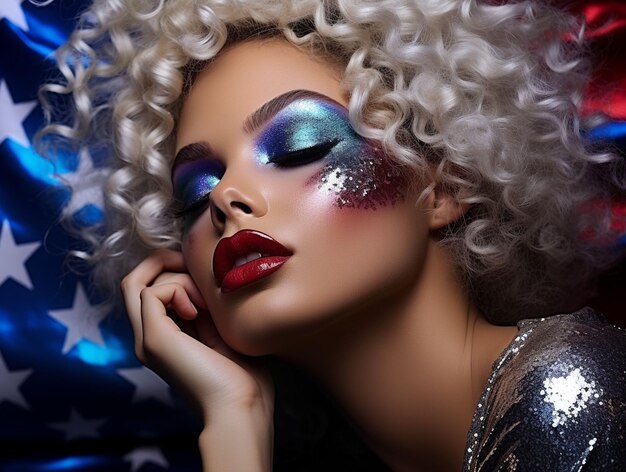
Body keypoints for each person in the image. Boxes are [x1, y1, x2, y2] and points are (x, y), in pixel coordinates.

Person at [38, 0, 626, 470]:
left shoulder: (575, 394)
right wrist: (233, 417)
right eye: (194, 191)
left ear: (447, 183)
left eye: (300, 145)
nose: (223, 198)